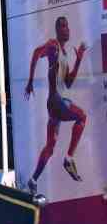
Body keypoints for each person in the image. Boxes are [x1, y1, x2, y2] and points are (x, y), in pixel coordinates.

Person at [24, 16, 87, 193]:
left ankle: (33, 180)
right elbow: (37, 53)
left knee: (50, 147)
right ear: (57, 30)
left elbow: (68, 82)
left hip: (56, 105)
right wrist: (30, 81)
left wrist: (79, 59)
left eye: (67, 26)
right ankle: (68, 159)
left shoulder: (65, 54)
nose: (66, 29)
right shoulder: (53, 45)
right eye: (63, 26)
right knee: (82, 116)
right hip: (56, 100)